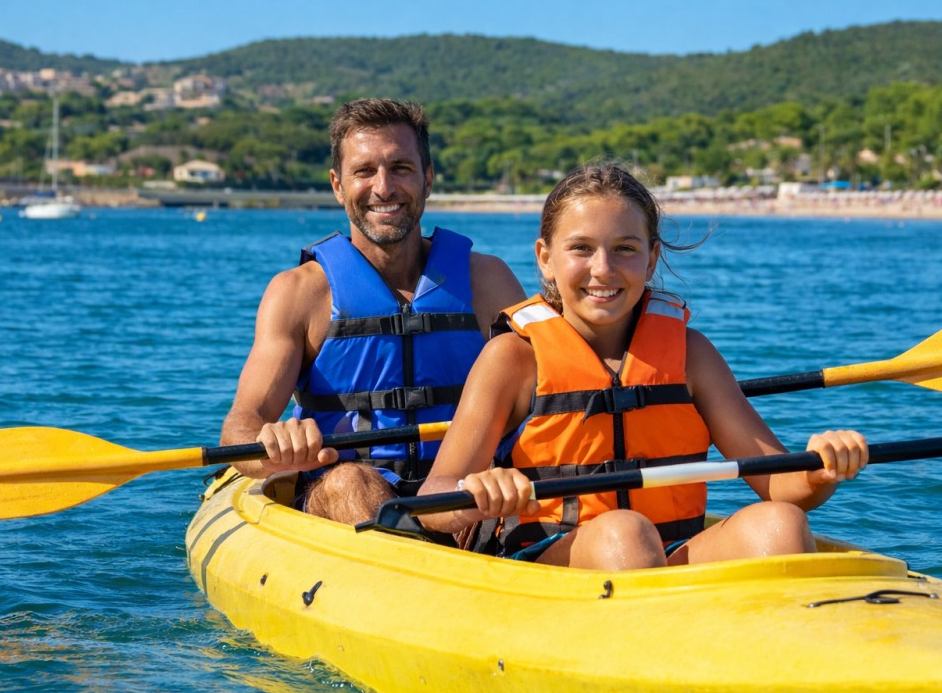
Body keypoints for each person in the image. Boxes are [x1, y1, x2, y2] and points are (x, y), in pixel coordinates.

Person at [417, 163, 868, 569]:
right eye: (581, 248)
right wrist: (479, 495)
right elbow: (434, 497)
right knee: (625, 534)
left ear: (651, 258)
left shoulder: (692, 356)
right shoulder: (513, 359)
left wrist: (822, 468)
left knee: (781, 526)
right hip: (552, 564)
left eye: (625, 249)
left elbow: (782, 487)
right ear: (546, 259)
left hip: (668, 555)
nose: (603, 269)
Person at [220, 98, 525, 525]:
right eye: (364, 171)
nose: (384, 187)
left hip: (464, 497)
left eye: (401, 167)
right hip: (343, 495)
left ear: (428, 179)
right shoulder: (299, 293)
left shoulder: (487, 280)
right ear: (337, 185)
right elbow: (241, 427)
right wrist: (273, 444)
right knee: (352, 484)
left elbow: (546, 395)